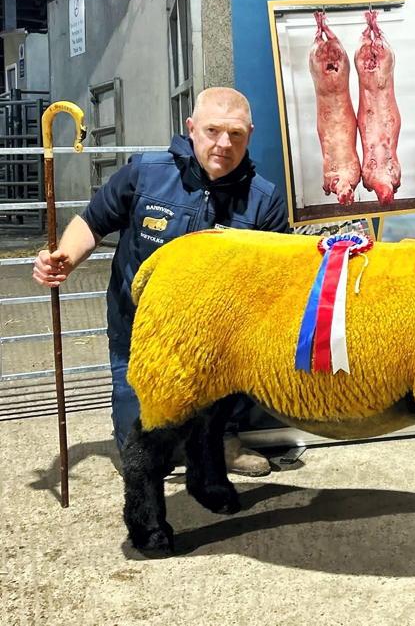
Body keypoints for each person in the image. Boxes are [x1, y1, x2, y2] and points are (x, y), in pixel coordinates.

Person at [33, 87, 289, 476]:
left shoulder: (263, 200)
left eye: (236, 134)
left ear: (249, 134)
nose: (224, 143)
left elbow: (279, 277)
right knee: (145, 455)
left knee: (217, 412)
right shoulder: (145, 173)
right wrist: (65, 259)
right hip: (139, 334)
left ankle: (221, 439)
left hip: (217, 344)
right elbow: (93, 221)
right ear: (191, 129)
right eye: (213, 131)